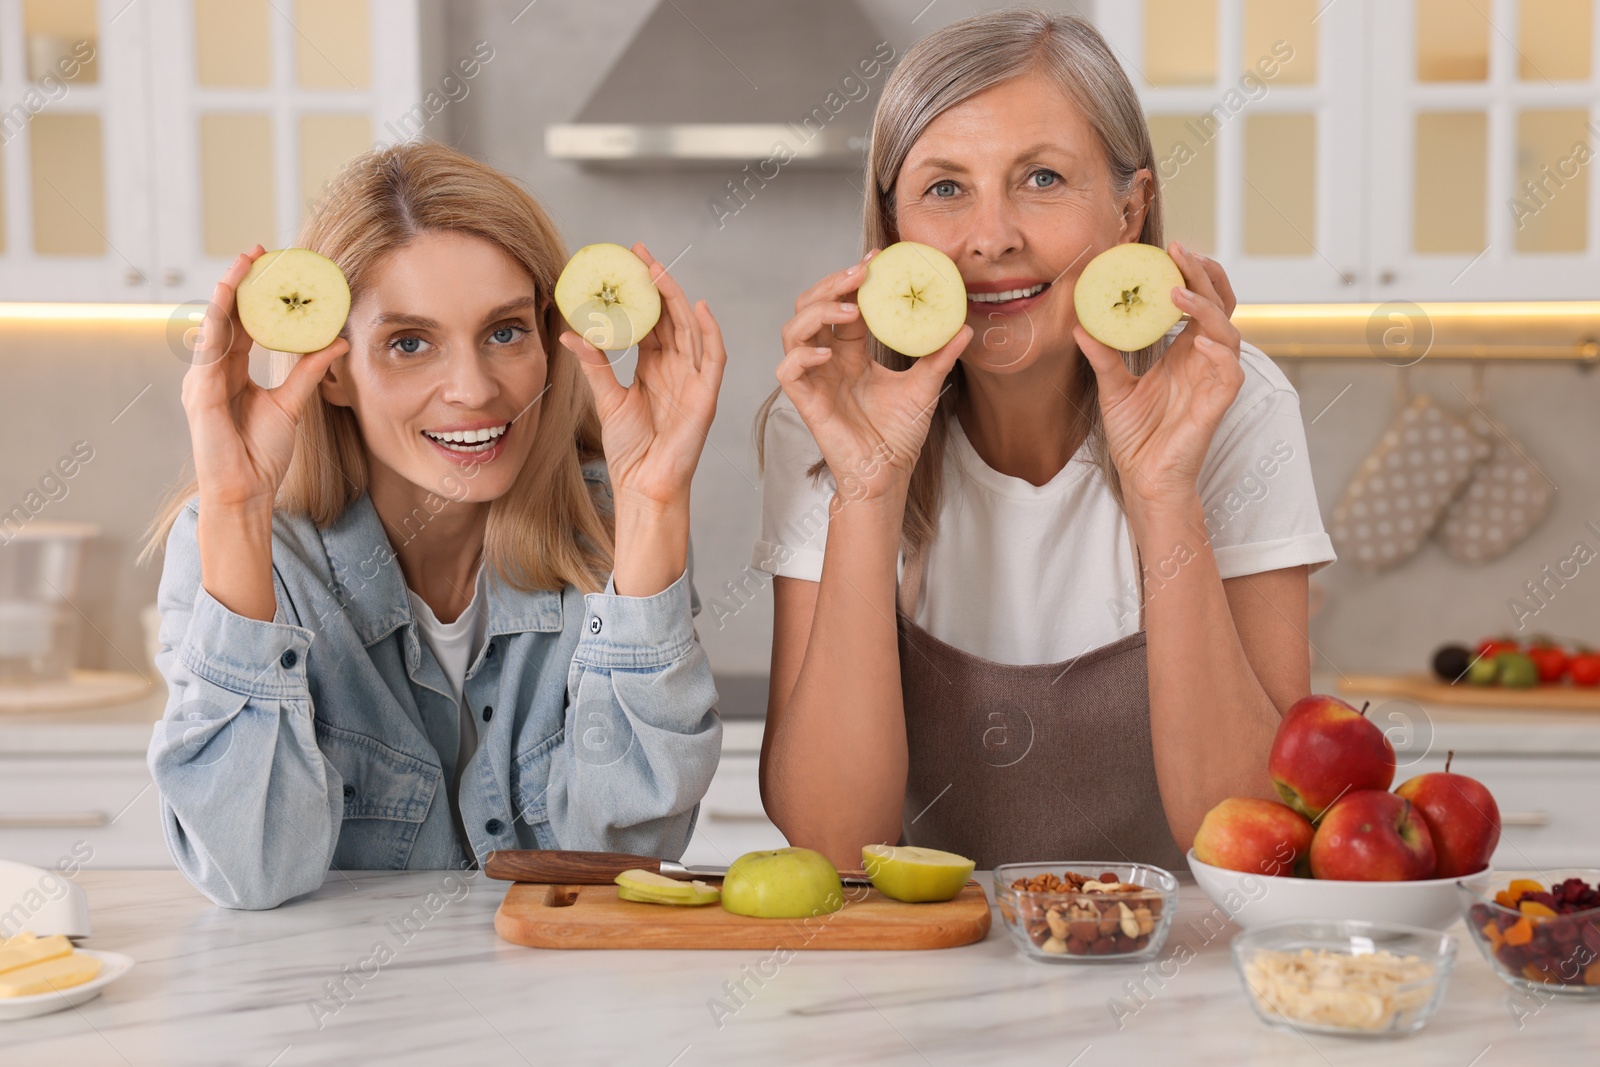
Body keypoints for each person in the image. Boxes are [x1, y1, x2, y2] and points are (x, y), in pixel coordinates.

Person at [753, 10, 1335, 871]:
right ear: (893, 226)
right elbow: (838, 846)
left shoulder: (1236, 409)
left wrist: (1164, 489)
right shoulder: (822, 417)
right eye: (945, 189)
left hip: (1175, 971)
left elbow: (1254, 833)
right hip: (925, 974)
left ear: (1130, 207)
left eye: (1043, 179)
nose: (992, 238)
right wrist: (867, 488)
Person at [143, 141, 725, 909]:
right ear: (333, 366)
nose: (473, 388)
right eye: (410, 343)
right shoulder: (239, 544)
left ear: (554, 341)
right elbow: (250, 869)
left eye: (506, 331)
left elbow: (618, 866)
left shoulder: (610, 526)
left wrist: (654, 507)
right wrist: (236, 509)